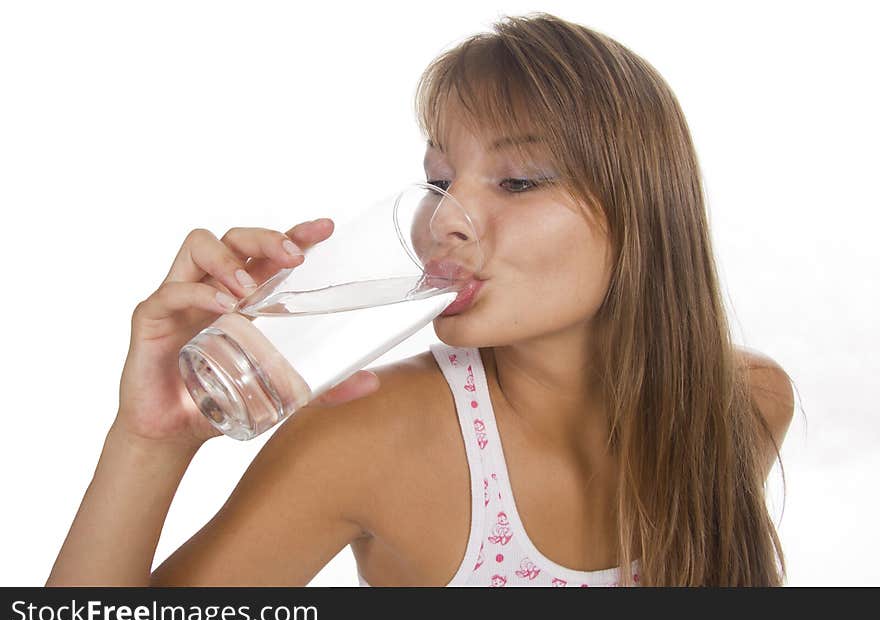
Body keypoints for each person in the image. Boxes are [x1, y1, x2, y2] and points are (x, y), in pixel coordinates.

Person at [46, 12, 795, 588]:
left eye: (519, 179)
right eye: (440, 181)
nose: (445, 220)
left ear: (646, 211)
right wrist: (150, 439)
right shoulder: (368, 439)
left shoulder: (746, 405)